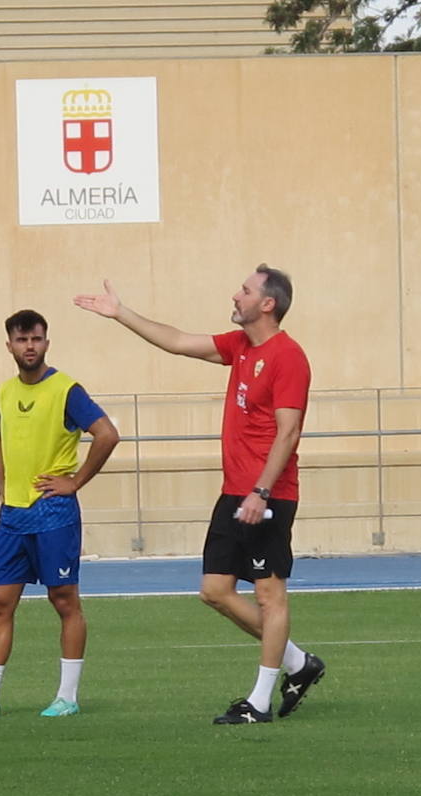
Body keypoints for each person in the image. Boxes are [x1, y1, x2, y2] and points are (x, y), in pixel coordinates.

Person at [74, 267, 326, 724]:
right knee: (214, 591)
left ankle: (260, 702)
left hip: (267, 496)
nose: (236, 294)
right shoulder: (241, 347)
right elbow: (176, 340)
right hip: (234, 493)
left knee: (271, 597)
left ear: (267, 304)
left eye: (245, 290)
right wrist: (120, 313)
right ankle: (297, 663)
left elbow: (288, 433)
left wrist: (261, 492)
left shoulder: (288, 357)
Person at [0, 309, 119, 719]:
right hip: (13, 517)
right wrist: (2, 483)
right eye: (21, 341)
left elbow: (107, 434)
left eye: (36, 339)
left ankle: (67, 697)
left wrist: (75, 481)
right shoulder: (5, 392)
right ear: (9, 345)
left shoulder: (66, 389)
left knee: (64, 600)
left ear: (46, 343)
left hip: (54, 513)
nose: (29, 347)